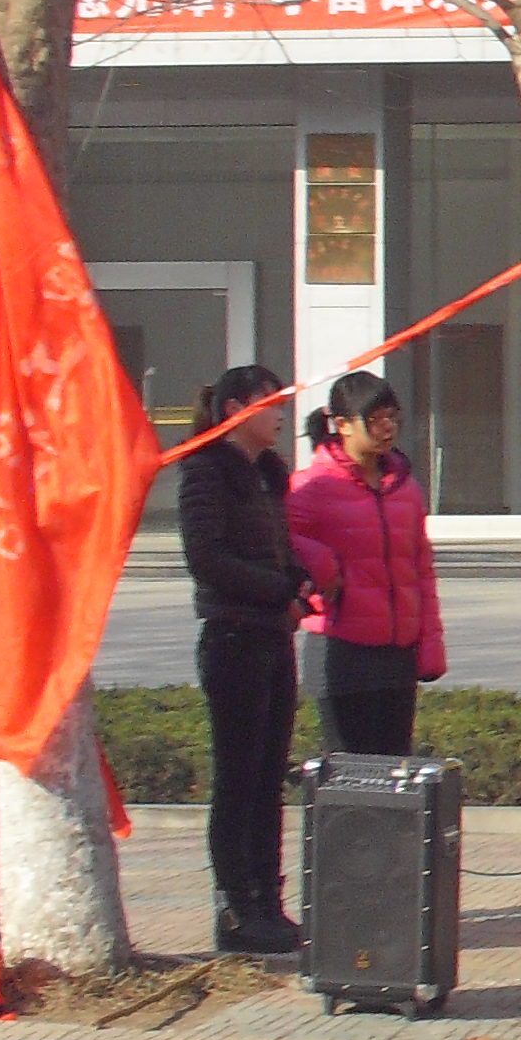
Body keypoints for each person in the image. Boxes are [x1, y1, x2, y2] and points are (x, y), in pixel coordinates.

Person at [177, 363, 306, 955]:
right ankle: (237, 908)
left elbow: (277, 548)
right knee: (239, 779)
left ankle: (268, 900)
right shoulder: (206, 470)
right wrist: (276, 589)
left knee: (268, 777)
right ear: (234, 410)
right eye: (270, 403)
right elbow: (206, 558)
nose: (280, 413)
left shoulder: (269, 474)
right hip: (233, 638)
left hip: (274, 635)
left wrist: (297, 580)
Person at [285, 367, 444, 756]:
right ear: (342, 425)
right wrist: (321, 564)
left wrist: (430, 643)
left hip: (398, 654)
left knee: (394, 770)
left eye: (392, 417)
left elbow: (421, 572)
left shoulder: (405, 488)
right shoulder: (312, 486)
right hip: (342, 650)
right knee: (351, 772)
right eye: (375, 420)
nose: (388, 428)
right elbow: (278, 540)